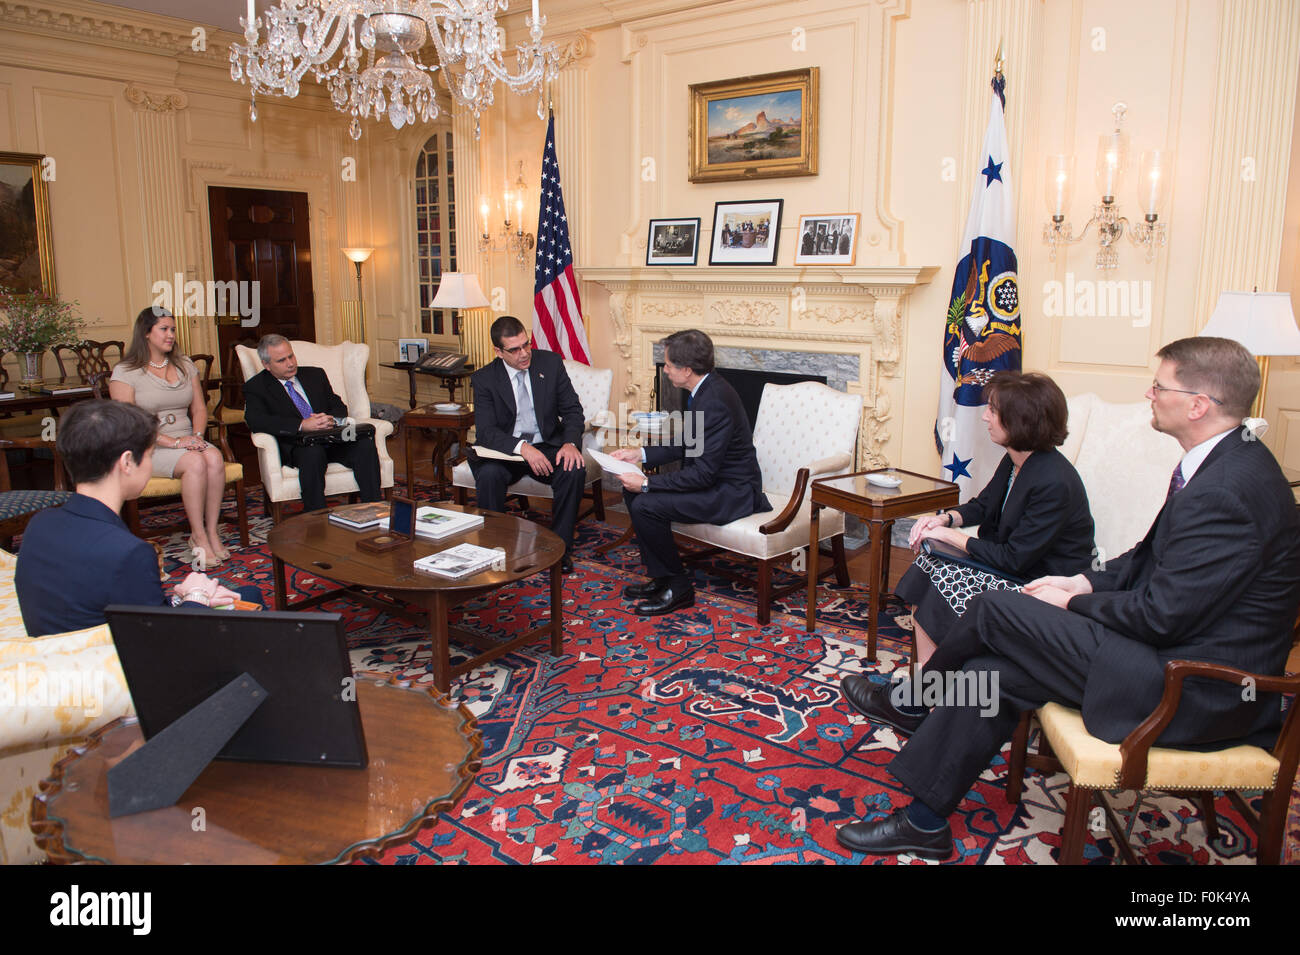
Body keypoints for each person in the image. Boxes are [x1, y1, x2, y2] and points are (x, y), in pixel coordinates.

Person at [834, 337, 1300, 859]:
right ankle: (925, 820)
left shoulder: (1226, 490)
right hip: (1165, 655)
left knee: (995, 609)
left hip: (1191, 685)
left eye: (1159, 385)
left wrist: (1071, 603)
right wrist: (1084, 583)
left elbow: (1162, 615)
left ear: (1197, 405)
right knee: (997, 670)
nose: (1149, 395)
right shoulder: (1223, 465)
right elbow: (1144, 559)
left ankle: (917, 702)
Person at [867, 371, 1093, 672]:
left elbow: (1015, 559)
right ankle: (927, 680)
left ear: (1020, 420)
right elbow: (983, 505)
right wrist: (946, 519)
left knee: (944, 578)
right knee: (930, 561)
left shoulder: (1054, 481)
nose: (985, 417)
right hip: (1014, 566)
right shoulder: (1017, 459)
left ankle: (929, 690)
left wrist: (949, 536)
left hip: (1041, 583)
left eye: (993, 411)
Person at [15, 400, 262, 637]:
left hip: (69, 654)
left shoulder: (40, 524)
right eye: (150, 455)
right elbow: (163, 643)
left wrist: (180, 599)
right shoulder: (129, 552)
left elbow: (92, 601)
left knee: (246, 594)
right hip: (116, 665)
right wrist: (196, 595)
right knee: (251, 599)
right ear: (126, 463)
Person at [611, 329, 771, 615]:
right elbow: (690, 443)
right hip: (714, 483)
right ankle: (662, 577)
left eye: (669, 365)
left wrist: (647, 482)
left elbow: (703, 475)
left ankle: (679, 586)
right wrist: (641, 454)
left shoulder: (714, 401)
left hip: (730, 493)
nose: (666, 369)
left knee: (645, 501)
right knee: (632, 491)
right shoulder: (705, 390)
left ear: (686, 370)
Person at [109, 307, 230, 565]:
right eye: (164, 329)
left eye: (173, 329)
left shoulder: (185, 365)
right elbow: (131, 422)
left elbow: (199, 407)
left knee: (214, 457)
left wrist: (197, 437)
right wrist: (175, 442)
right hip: (149, 446)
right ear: (145, 333)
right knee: (195, 462)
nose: (171, 335)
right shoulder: (126, 371)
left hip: (187, 439)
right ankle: (197, 536)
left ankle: (211, 531)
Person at [468, 315, 586, 573]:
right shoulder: (484, 379)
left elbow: (573, 411)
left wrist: (570, 443)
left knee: (573, 469)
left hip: (547, 446)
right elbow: (486, 431)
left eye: (526, 344)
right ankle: (493, 548)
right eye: (514, 349)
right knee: (489, 475)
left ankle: (561, 549)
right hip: (506, 452)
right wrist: (522, 447)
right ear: (498, 351)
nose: (524, 354)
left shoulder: (550, 363)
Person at [242, 334, 382, 513]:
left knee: (364, 444)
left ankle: (374, 508)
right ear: (266, 365)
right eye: (282, 360)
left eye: (291, 356)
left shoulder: (315, 374)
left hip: (331, 437)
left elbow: (338, 405)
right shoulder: (256, 387)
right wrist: (301, 424)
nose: (291, 363)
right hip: (298, 444)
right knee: (313, 453)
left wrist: (331, 419)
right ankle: (316, 516)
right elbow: (256, 421)